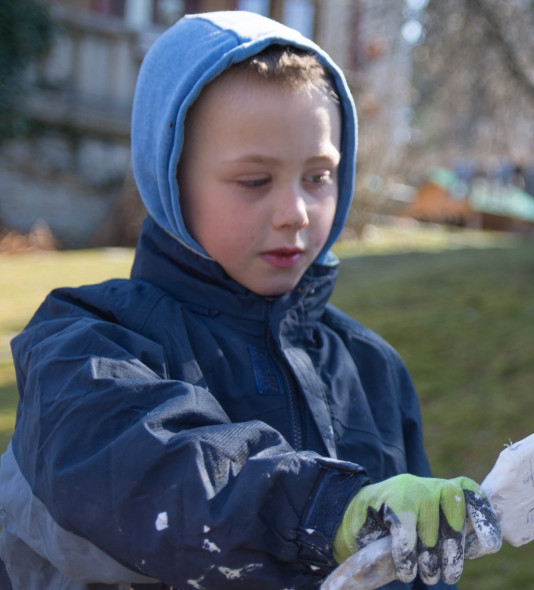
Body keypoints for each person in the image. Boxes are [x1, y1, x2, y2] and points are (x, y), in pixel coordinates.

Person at [0, 11, 500, 590]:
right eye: (255, 181)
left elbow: (411, 565)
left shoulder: (372, 368)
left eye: (318, 176)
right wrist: (325, 512)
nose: (297, 211)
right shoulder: (86, 338)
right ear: (170, 178)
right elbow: (149, 474)